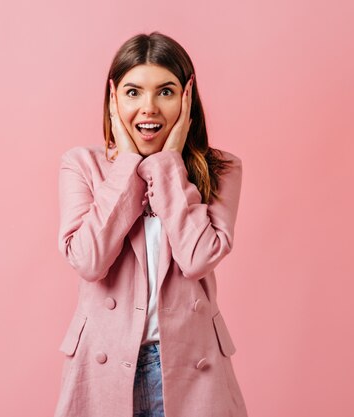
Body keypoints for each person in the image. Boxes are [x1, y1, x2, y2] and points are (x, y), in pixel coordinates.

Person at [54, 31, 248, 417]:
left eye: (165, 91)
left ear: (187, 98)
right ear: (113, 98)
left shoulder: (221, 168)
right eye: (133, 92)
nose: (149, 108)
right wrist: (126, 167)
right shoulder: (81, 165)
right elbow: (89, 261)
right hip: (103, 366)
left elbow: (197, 258)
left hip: (193, 369)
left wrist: (170, 165)